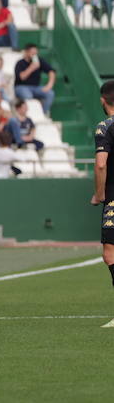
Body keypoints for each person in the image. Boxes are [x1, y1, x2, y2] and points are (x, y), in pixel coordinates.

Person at [92, 81, 114, 327]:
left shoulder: (105, 126)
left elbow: (100, 164)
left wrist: (99, 194)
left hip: (113, 197)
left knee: (110, 254)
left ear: (103, 100)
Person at [14, 43, 56, 114]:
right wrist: (31, 68)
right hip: (21, 87)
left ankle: (43, 113)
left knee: (50, 93)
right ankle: (32, 115)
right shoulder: (20, 63)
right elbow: (21, 77)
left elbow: (51, 71)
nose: (34, 55)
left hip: (36, 87)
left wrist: (49, 85)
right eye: (32, 53)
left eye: (35, 53)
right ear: (27, 52)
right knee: (28, 96)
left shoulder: (39, 61)